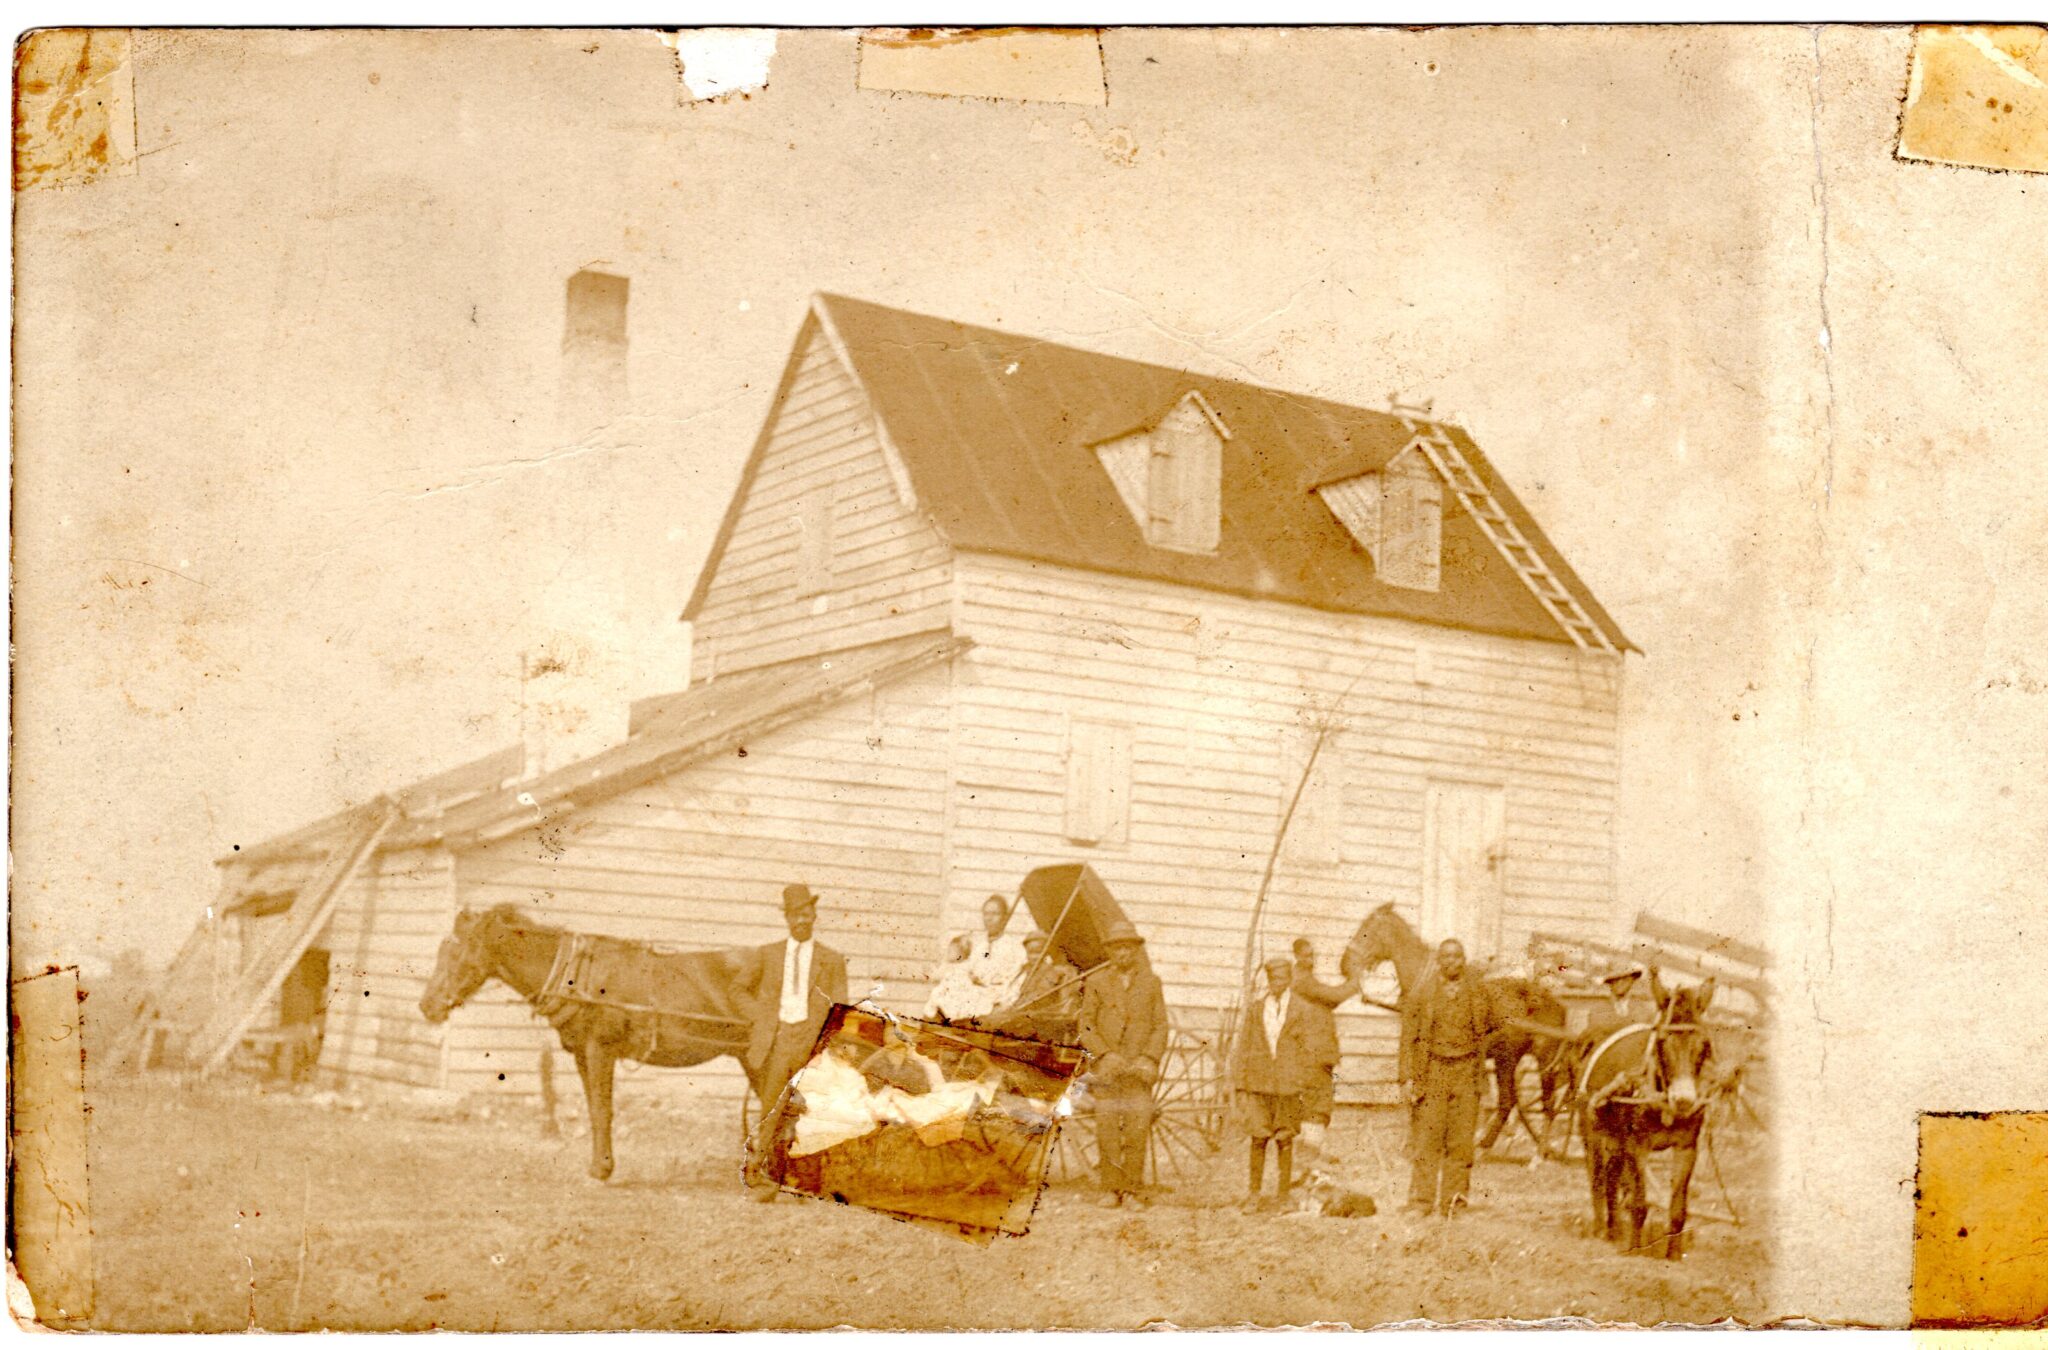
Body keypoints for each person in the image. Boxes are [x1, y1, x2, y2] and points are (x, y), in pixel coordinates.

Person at [743, 883, 849, 1201]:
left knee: (814, 1113)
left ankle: (810, 1183)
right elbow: (739, 989)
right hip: (777, 1043)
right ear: (787, 919)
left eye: (806, 913)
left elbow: (840, 1008)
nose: (801, 920)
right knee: (770, 1114)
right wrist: (763, 1016)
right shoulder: (768, 954)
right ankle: (762, 1183)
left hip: (811, 1045)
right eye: (794, 915)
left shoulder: (830, 960)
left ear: (814, 915)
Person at [1400, 937, 1496, 1217]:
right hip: (1433, 1071)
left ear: (1463, 960)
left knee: (1461, 1142)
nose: (1452, 962)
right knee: (1427, 1140)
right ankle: (1421, 1202)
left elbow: (1491, 1029)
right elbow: (1408, 1038)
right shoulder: (1422, 994)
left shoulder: (1479, 993)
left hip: (1467, 1072)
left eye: (1457, 957)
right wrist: (1406, 1078)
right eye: (1447, 957)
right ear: (1438, 961)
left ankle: (1454, 1202)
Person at [1078, 920, 1169, 1208]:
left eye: (1128, 947)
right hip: (1108, 1070)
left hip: (1139, 1070)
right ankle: (1110, 1189)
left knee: (1137, 1127)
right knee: (1106, 1127)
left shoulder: (1151, 982)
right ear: (1110, 952)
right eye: (1117, 948)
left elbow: (1160, 1026)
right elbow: (1086, 1024)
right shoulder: (1097, 982)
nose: (1123, 953)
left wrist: (1147, 1058)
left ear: (1135, 950)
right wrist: (1105, 1054)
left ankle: (1131, 1190)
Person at [1230, 956, 1320, 1213]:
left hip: (1288, 1086)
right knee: (1258, 1139)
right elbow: (1245, 1047)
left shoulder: (1301, 1009)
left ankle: (1283, 1195)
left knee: (1285, 1139)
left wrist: (1304, 1083)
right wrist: (1241, 1086)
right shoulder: (1257, 1009)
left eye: (1281, 978)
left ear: (1289, 980)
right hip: (1259, 1085)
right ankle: (1254, 1194)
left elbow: (1308, 1050)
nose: (1276, 983)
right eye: (1272, 979)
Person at [1288, 937, 1354, 1162]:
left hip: (1317, 1051)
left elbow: (1329, 1001)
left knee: (1315, 1099)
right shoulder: (1302, 980)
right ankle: (1310, 1153)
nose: (1311, 959)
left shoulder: (1306, 981)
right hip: (1312, 1051)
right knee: (1317, 1100)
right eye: (1306, 955)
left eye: (1313, 955)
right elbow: (1333, 996)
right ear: (1296, 956)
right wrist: (1355, 982)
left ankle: (1311, 1150)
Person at [965, 893, 1030, 1013]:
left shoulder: (1014, 948)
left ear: (1005, 917)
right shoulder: (977, 945)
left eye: (995, 914)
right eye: (986, 914)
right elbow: (966, 973)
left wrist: (1005, 1003)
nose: (989, 919)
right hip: (972, 999)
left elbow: (1017, 983)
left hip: (999, 1002)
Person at [921, 933, 977, 1021]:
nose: (947, 953)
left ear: (960, 955)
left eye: (950, 951)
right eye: (948, 951)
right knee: (937, 995)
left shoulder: (962, 966)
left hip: (958, 989)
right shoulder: (949, 965)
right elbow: (937, 974)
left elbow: (973, 975)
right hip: (948, 988)